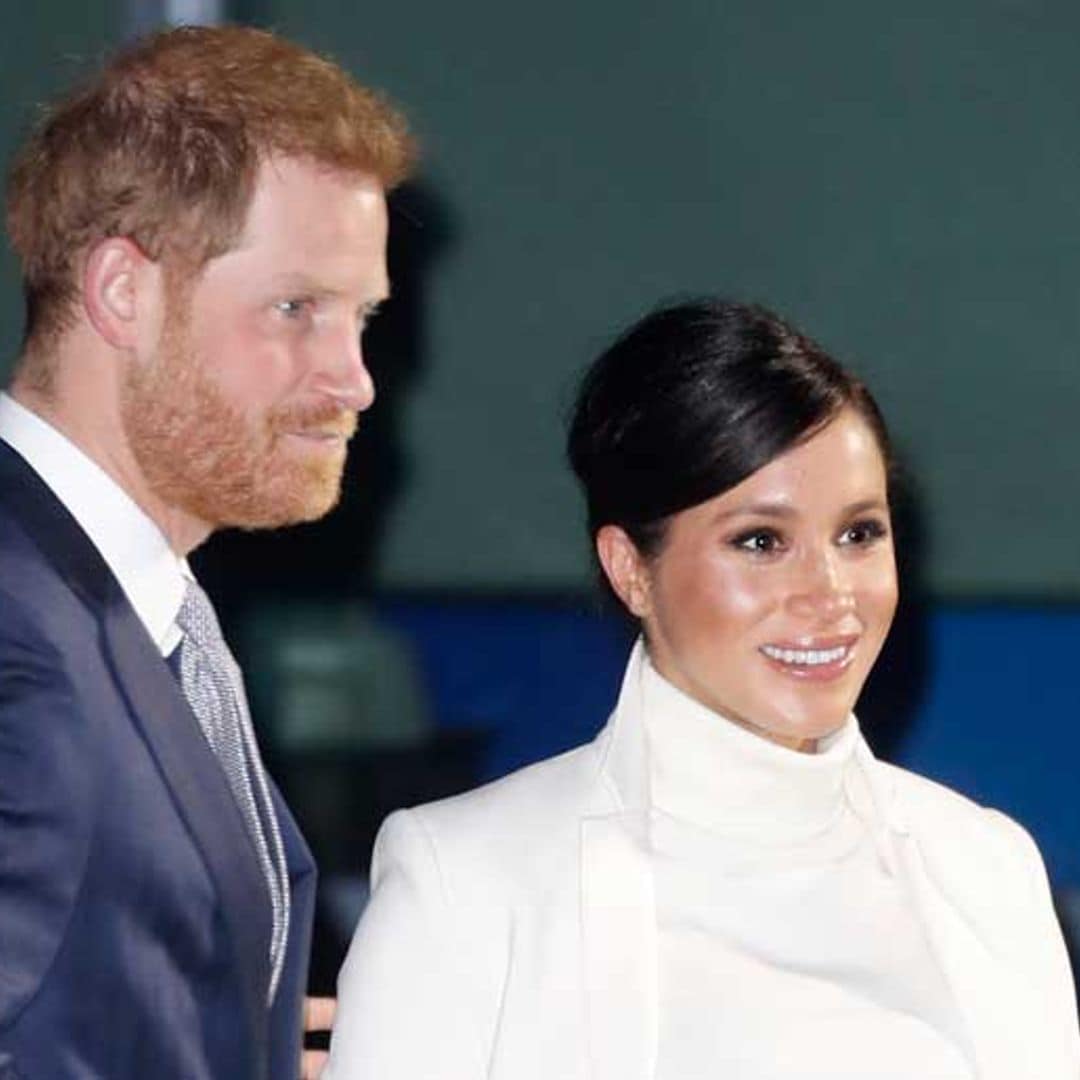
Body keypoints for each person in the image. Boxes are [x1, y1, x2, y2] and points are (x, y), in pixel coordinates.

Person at [325, 299, 1080, 1079]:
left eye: (858, 534)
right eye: (760, 542)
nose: (829, 595)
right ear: (630, 570)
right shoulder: (470, 882)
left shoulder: (986, 868)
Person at [0, 25, 413, 1080]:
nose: (354, 377)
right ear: (123, 294)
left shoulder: (128, 606)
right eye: (297, 309)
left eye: (360, 317)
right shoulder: (20, 630)